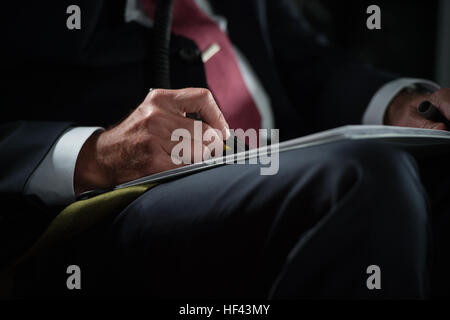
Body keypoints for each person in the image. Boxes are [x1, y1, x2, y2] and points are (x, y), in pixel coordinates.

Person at [1, 0, 450, 299]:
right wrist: (94, 154)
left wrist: (402, 101)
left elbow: (310, 64)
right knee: (365, 179)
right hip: (114, 213)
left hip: (293, 161)